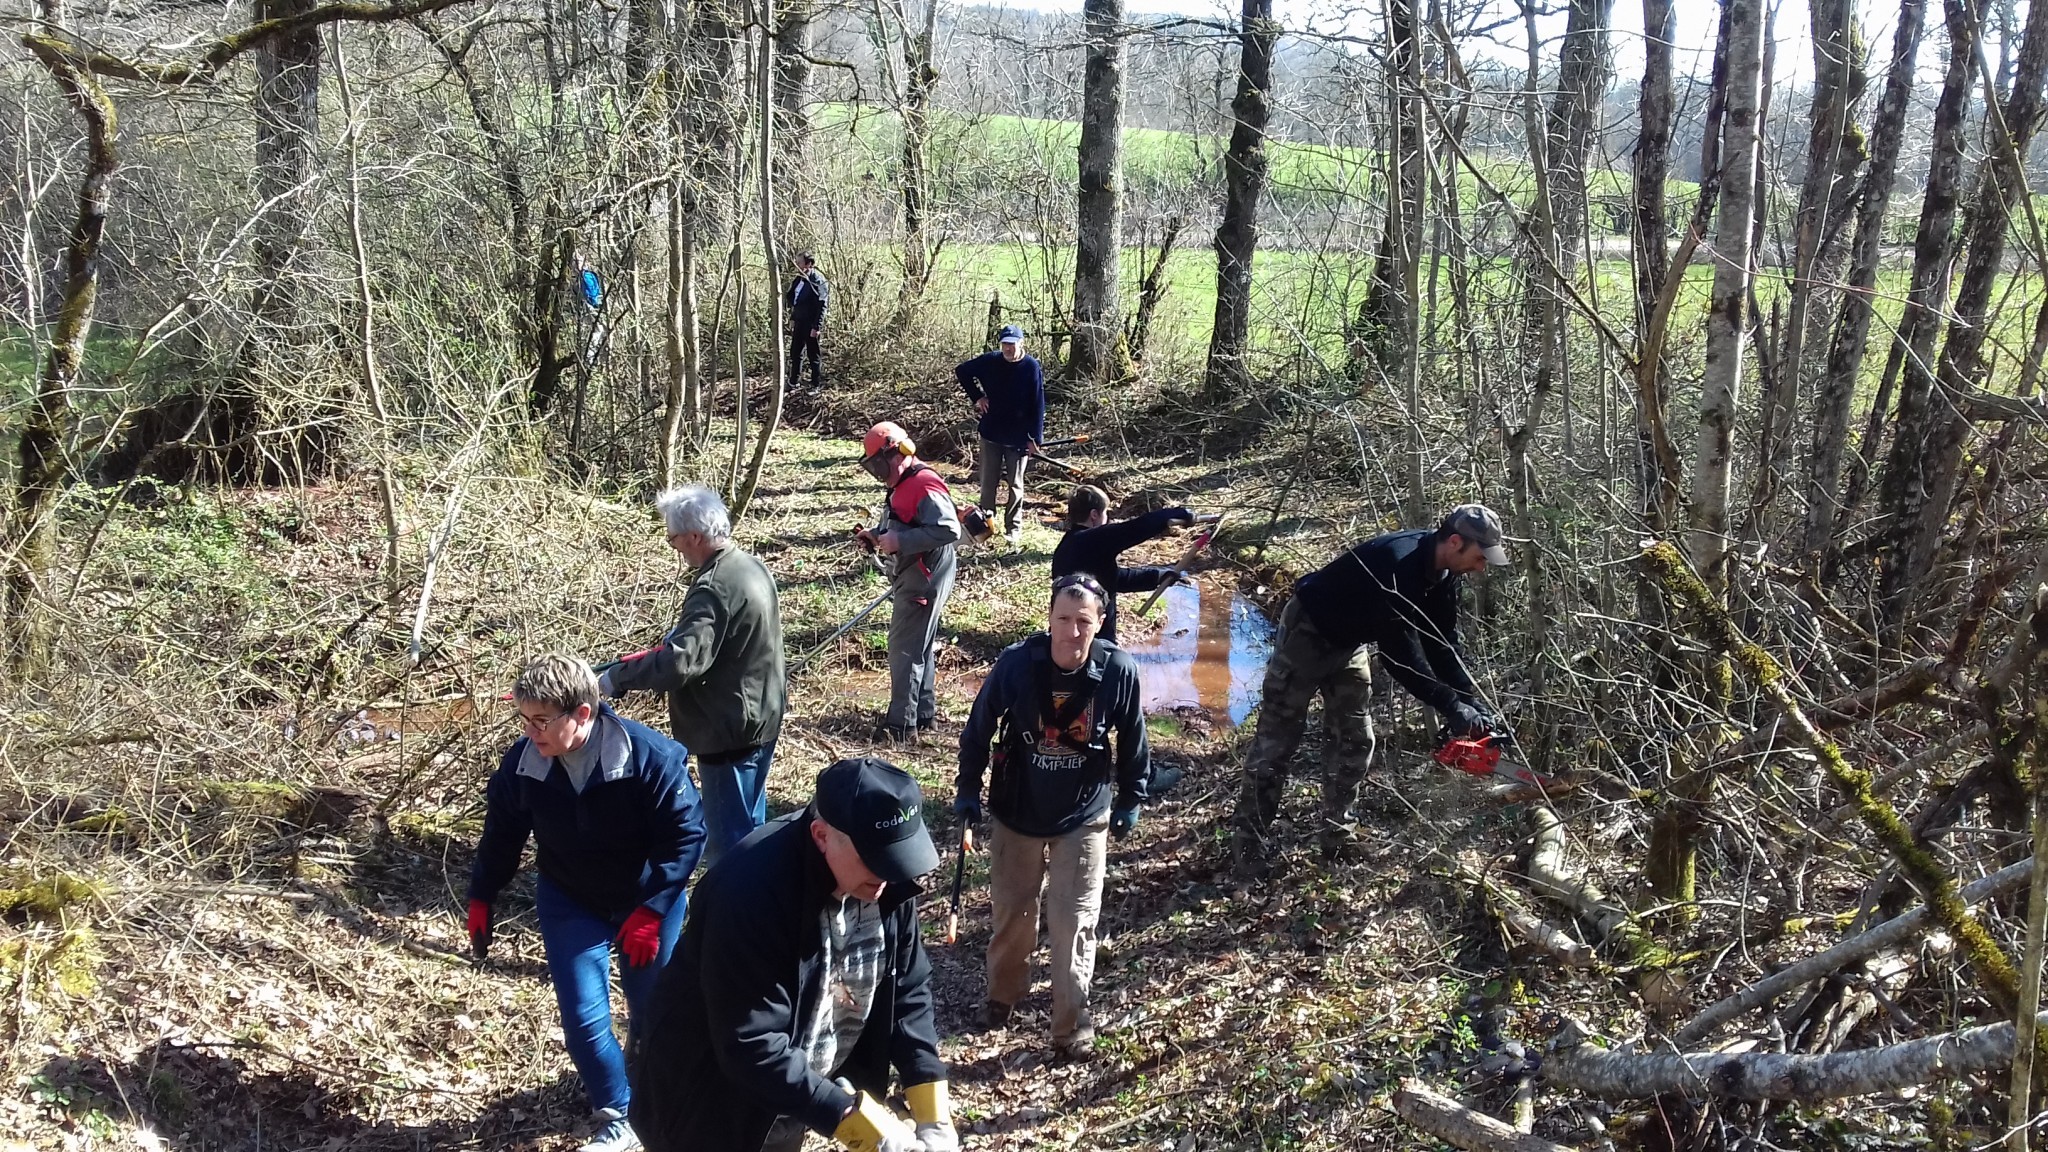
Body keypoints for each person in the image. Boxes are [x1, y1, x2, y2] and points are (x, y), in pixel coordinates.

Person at [631, 757, 958, 1152]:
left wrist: (932, 1113)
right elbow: (751, 1041)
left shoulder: (884, 878)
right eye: (875, 858)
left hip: (792, 1097)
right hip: (710, 1101)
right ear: (821, 836)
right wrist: (861, 1128)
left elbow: (907, 989)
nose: (889, 874)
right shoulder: (750, 894)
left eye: (898, 857)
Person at [467, 655, 706, 1152]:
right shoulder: (523, 765)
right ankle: (619, 1113)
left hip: (645, 900)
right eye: (524, 719)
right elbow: (502, 835)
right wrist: (481, 896)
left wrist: (654, 907)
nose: (531, 733)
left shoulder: (650, 758)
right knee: (582, 1014)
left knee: (652, 1009)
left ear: (582, 713)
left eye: (541, 721)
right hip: (570, 897)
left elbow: (687, 836)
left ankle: (661, 1095)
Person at [1229, 504, 1512, 873]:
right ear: (1455, 542)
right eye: (1478, 557)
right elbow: (1398, 657)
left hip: (1351, 641)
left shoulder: (1444, 573)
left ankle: (1337, 837)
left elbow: (1442, 643)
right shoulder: (1398, 565)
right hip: (1309, 633)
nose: (1481, 567)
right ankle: (1247, 848)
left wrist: (1471, 704)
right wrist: (1449, 705)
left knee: (1355, 740)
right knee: (1277, 741)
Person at [953, 573, 1149, 1060]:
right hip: (1017, 808)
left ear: (1100, 623)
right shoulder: (1017, 665)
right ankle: (1001, 998)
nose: (1073, 632)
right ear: (1050, 619)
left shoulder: (1119, 670)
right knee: (1013, 915)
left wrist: (1132, 798)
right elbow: (978, 730)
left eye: (1084, 622)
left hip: (1084, 814)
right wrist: (966, 793)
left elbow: (1134, 737)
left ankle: (1071, 1026)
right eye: (1064, 619)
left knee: (1074, 922)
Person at [601, 485, 787, 867]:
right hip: (761, 715)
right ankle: (758, 904)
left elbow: (679, 664)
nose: (674, 547)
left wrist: (614, 679)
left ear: (695, 537)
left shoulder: (714, 587)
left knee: (729, 847)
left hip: (728, 730)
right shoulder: (750, 566)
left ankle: (735, 919)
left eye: (674, 539)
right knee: (752, 830)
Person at [855, 421, 961, 743]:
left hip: (925, 574)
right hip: (918, 571)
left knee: (904, 649)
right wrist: (876, 535)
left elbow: (949, 529)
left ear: (898, 453)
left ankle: (901, 726)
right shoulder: (902, 483)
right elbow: (901, 521)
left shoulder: (924, 484)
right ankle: (923, 715)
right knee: (920, 646)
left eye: (879, 464)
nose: (878, 472)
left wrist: (900, 542)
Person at [1050, 484, 1199, 645]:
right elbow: (1136, 529)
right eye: (1105, 513)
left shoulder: (1070, 545)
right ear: (1094, 515)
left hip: (1066, 637)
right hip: (1091, 640)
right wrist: (1180, 513)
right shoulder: (1093, 540)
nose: (1108, 518)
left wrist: (1157, 576)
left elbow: (1114, 579)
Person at [954, 324, 1045, 544]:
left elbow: (1038, 404)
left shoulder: (1031, 367)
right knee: (988, 481)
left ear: (1021, 344)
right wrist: (977, 397)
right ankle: (985, 523)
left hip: (1018, 438)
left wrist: (1035, 438)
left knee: (1015, 484)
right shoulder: (990, 361)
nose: (1007, 349)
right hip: (991, 433)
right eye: (1005, 344)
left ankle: (1013, 528)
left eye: (1012, 344)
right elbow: (962, 371)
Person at [787, 252, 829, 389]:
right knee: (796, 352)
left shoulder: (818, 281)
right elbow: (796, 300)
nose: (797, 265)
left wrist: (816, 327)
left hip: (811, 323)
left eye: (799, 262)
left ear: (808, 264)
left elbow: (822, 305)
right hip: (799, 320)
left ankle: (816, 384)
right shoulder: (799, 278)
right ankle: (794, 381)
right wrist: (793, 317)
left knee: (813, 355)